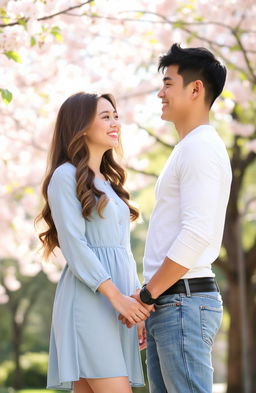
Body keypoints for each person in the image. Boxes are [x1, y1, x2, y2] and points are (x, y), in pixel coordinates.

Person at [130, 44, 232, 393]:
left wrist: (147, 295)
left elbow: (196, 234)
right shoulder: (189, 148)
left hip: (182, 302)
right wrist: (152, 299)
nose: (160, 93)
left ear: (195, 89)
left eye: (168, 83)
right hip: (171, 302)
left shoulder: (201, 148)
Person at [36, 92, 149, 393]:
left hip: (118, 303)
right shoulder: (65, 176)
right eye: (105, 116)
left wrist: (134, 305)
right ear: (82, 126)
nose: (115, 123)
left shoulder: (110, 185)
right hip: (90, 301)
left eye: (116, 116)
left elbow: (123, 251)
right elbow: (74, 246)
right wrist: (117, 298)